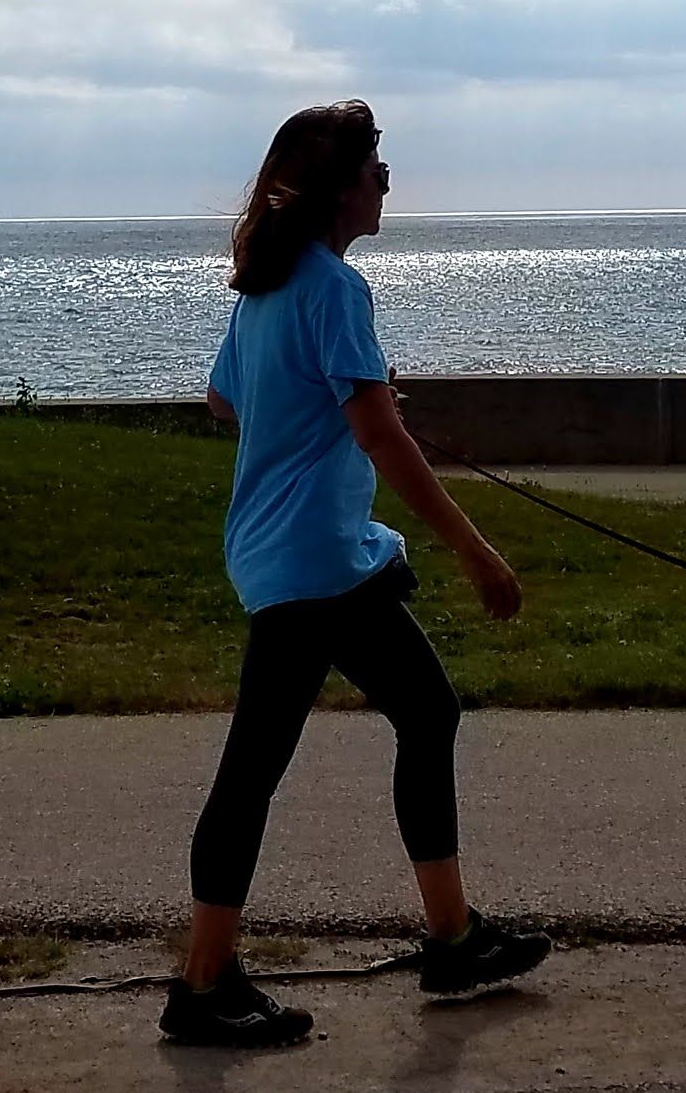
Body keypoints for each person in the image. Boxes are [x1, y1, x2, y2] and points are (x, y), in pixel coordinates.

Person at [163, 99, 551, 1049]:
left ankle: (451, 935)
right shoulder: (332, 288)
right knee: (257, 769)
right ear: (342, 188)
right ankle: (205, 985)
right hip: (317, 561)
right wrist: (474, 548)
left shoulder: (269, 287)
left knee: (422, 713)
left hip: (287, 552)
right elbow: (382, 438)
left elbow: (223, 401)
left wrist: (333, 390)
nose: (388, 184)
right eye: (378, 170)